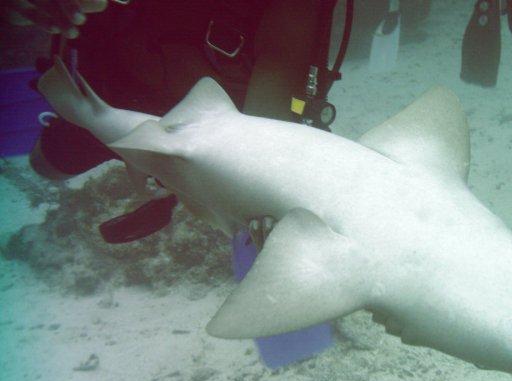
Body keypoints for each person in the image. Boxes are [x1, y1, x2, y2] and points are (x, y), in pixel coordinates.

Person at [5, 0, 352, 242]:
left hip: (217, 117)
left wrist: (256, 200)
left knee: (248, 202)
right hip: (116, 85)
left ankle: (174, 187)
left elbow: (264, 124)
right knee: (44, 166)